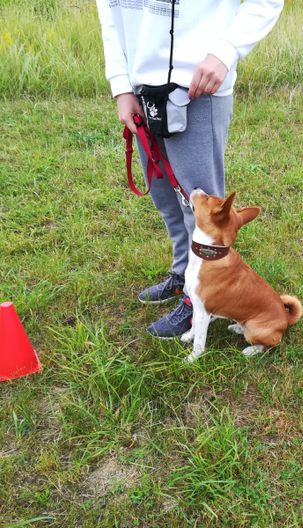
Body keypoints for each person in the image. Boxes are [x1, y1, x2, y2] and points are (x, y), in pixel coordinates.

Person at [96, 0, 284, 338]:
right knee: (165, 195)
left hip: (200, 88)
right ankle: (185, 276)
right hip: (142, 91)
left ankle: (200, 300)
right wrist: (122, 85)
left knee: (202, 207)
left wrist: (225, 51)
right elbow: (110, 11)